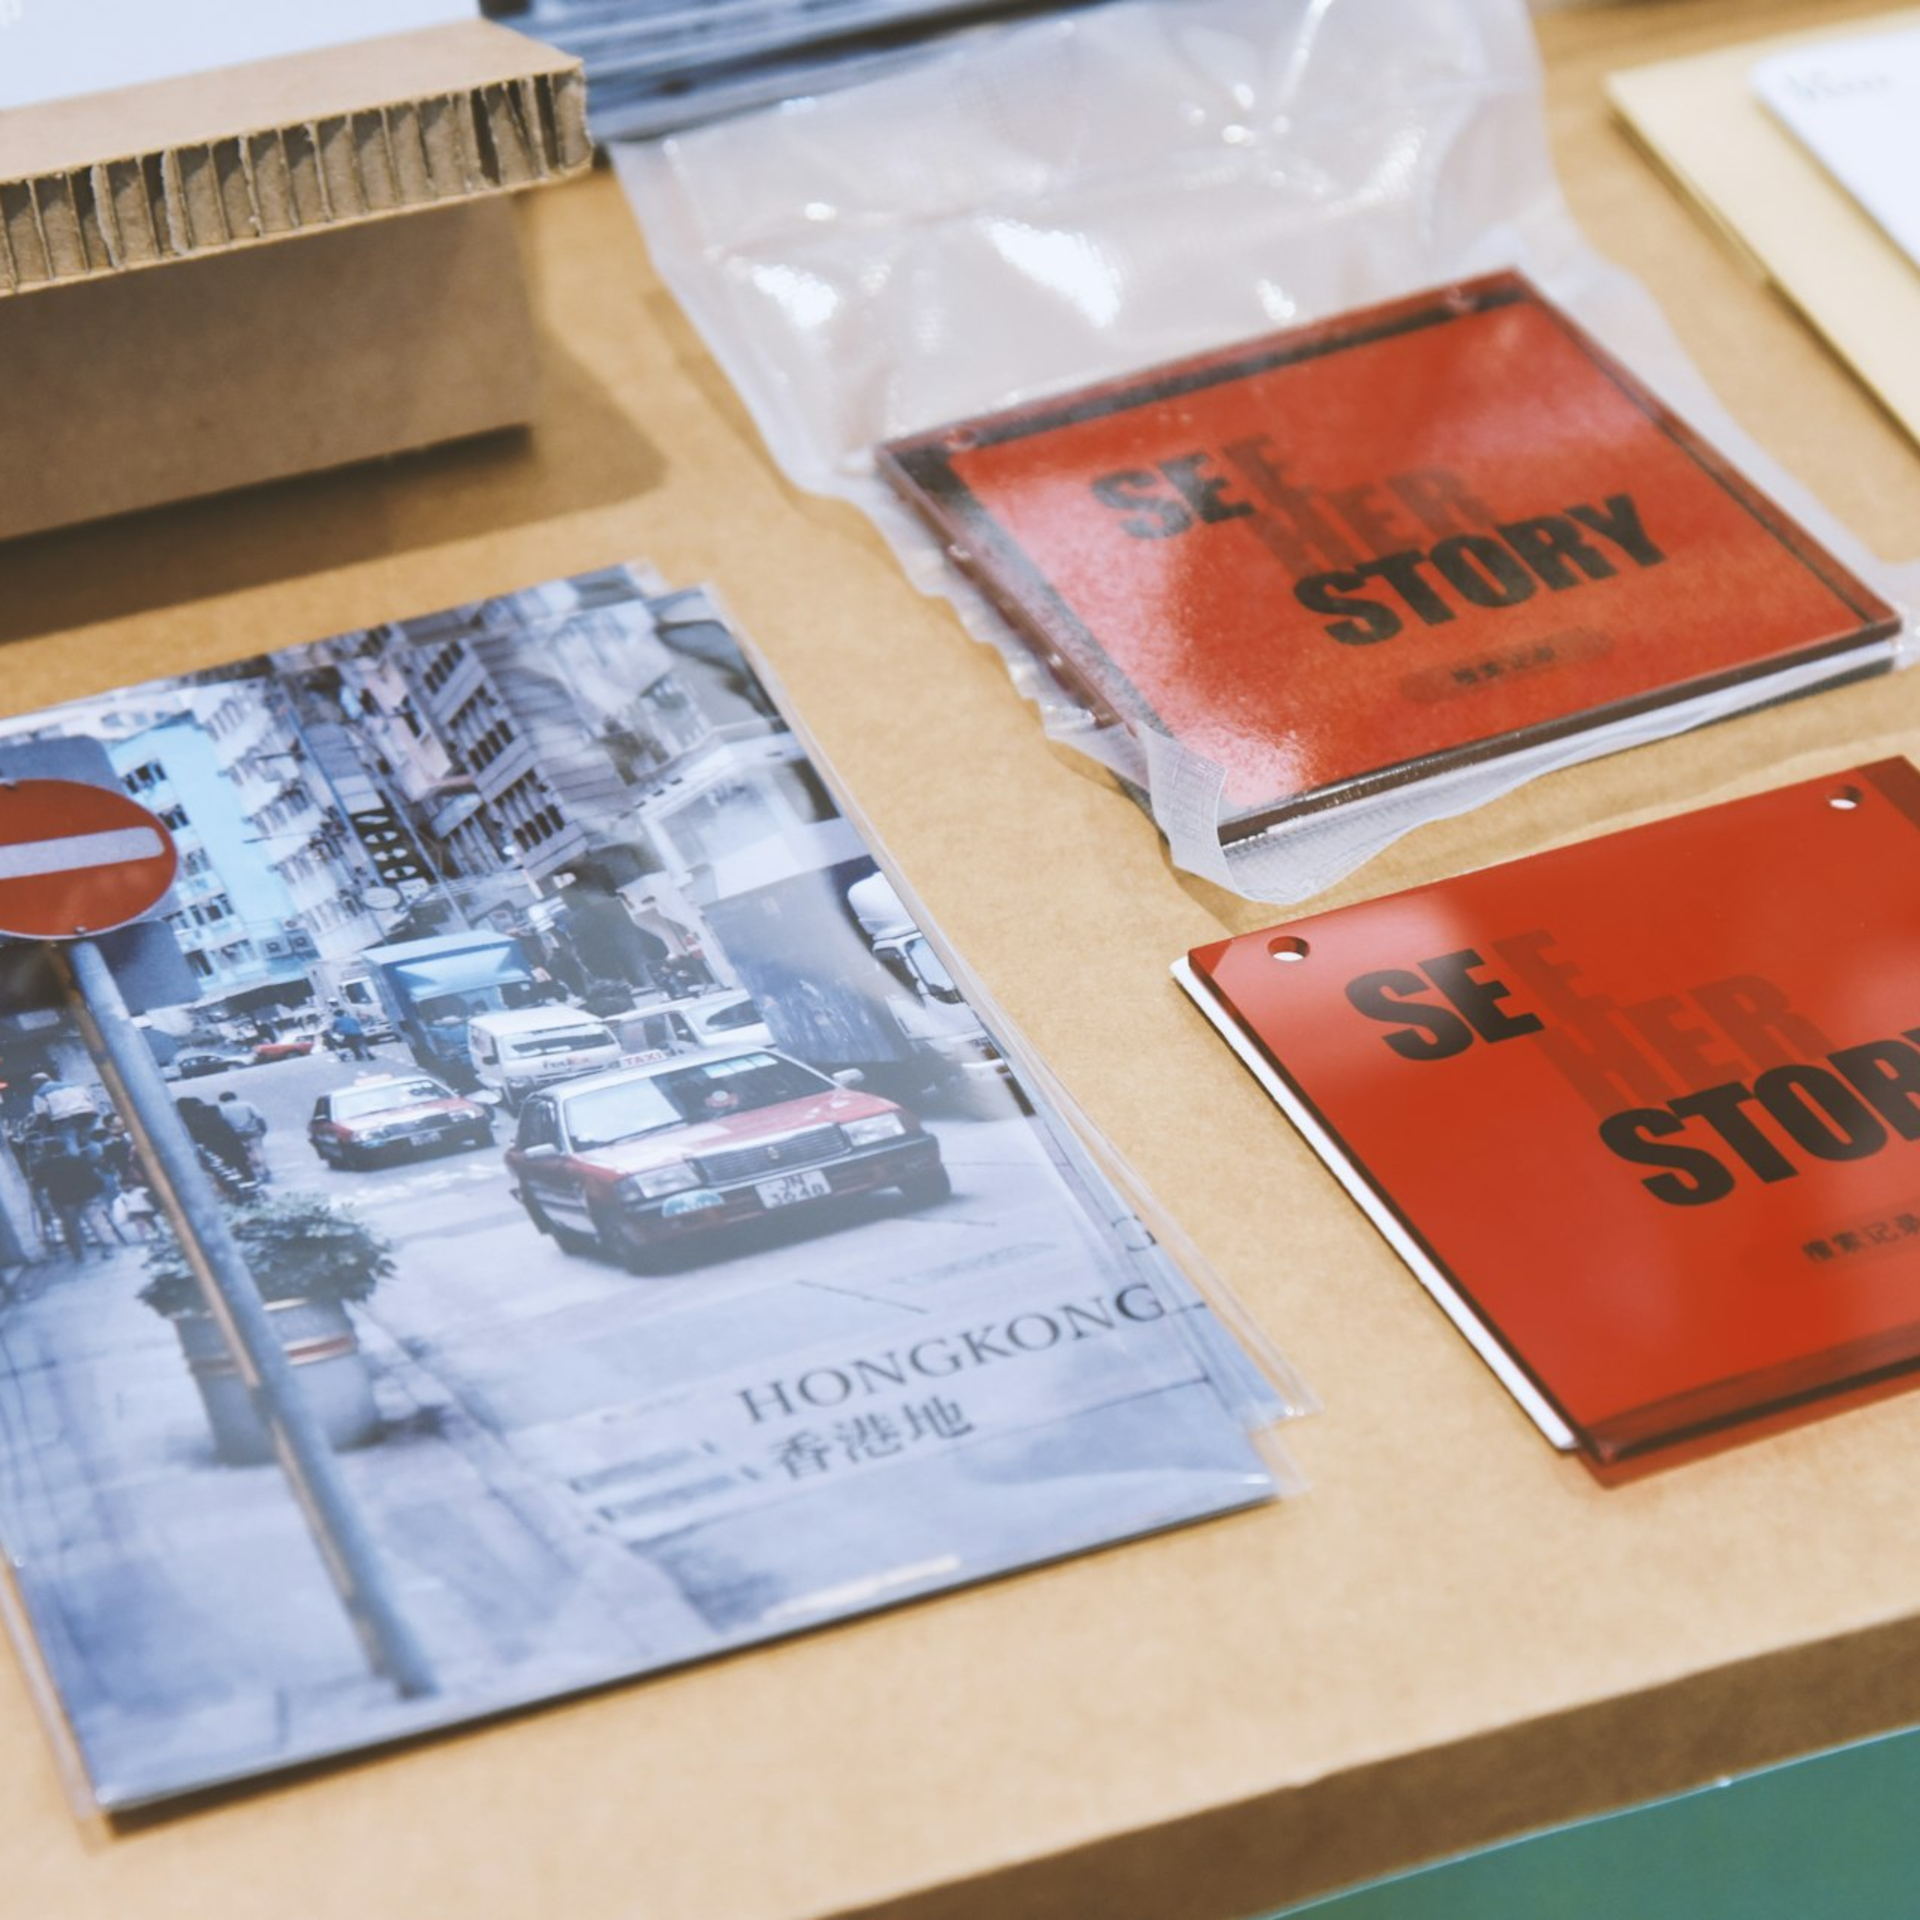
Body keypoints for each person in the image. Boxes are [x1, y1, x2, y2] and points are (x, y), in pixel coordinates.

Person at [217, 1089, 271, 1181]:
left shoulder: (221, 1109)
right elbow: (259, 1117)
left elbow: (222, 1122)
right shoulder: (246, 1104)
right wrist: (263, 1128)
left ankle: (256, 1171)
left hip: (235, 1134)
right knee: (257, 1149)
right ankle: (263, 1170)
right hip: (252, 1131)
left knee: (247, 1152)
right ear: (234, 1097)